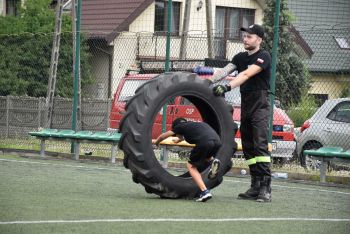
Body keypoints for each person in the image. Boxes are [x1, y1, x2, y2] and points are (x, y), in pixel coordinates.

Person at [211, 24, 272, 202]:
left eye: (250, 36)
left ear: (259, 40)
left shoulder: (263, 56)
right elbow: (224, 71)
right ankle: (255, 186)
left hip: (260, 104)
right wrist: (208, 82)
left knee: (260, 145)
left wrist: (228, 86)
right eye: (245, 36)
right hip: (246, 103)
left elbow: (246, 74)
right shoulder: (239, 57)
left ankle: (266, 188)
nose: (245, 39)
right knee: (248, 146)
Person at [153, 118, 221, 202]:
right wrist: (178, 140)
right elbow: (182, 137)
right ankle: (212, 162)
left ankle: (204, 192)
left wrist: (156, 142)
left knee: (191, 166)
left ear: (176, 127)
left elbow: (163, 136)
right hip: (217, 142)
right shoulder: (194, 125)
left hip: (204, 142)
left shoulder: (179, 126)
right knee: (206, 157)